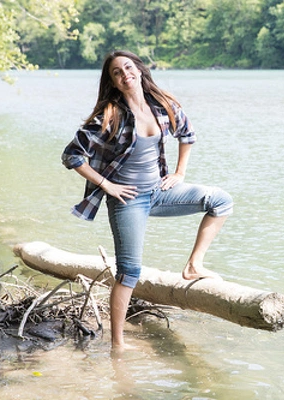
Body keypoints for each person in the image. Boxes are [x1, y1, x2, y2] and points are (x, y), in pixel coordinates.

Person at [61, 50, 233, 348]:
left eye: (128, 67)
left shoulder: (163, 105)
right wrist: (107, 185)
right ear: (113, 82)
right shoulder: (109, 116)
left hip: (159, 192)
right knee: (129, 272)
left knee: (220, 201)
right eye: (117, 72)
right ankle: (118, 345)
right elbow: (72, 155)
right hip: (128, 200)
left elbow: (188, 134)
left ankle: (194, 265)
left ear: (139, 71)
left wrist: (179, 173)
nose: (124, 73)